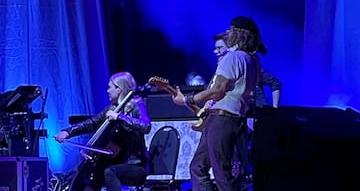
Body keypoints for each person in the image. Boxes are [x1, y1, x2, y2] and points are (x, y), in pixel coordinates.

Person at [172, 16, 263, 191]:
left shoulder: (234, 58)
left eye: (231, 30)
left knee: (222, 174)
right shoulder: (253, 60)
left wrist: (187, 99)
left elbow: (218, 90)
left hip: (223, 120)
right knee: (197, 167)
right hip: (231, 118)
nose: (228, 33)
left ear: (238, 34)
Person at [55, 71, 151, 191]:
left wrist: (120, 117)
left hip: (134, 165)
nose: (107, 90)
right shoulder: (112, 108)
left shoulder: (137, 105)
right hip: (114, 163)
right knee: (91, 175)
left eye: (110, 87)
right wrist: (68, 131)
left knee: (109, 172)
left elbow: (146, 126)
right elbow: (92, 123)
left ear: (119, 89)